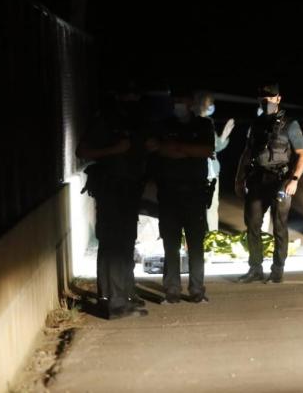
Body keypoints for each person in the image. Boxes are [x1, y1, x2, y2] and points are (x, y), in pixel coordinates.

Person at [77, 77, 152, 319]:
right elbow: (82, 151)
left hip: (130, 190)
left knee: (126, 242)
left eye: (135, 95)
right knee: (112, 244)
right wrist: (113, 150)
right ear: (118, 97)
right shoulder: (106, 120)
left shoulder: (138, 120)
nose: (131, 99)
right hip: (111, 190)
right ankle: (114, 302)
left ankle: (125, 294)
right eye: (127, 95)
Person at [235, 82, 303, 283]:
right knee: (252, 224)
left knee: (279, 225)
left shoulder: (290, 124)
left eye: (270, 98)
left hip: (280, 180)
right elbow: (247, 152)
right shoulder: (256, 124)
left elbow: (302, 154)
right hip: (258, 179)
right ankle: (255, 268)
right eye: (263, 99)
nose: (266, 102)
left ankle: (277, 269)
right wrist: (239, 179)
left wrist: (294, 179)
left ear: (278, 98)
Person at [151, 87, 215, 303]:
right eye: (175, 100)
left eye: (182, 100)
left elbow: (206, 150)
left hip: (195, 193)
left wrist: (176, 147)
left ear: (191, 102)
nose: (178, 104)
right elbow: (158, 149)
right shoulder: (164, 125)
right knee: (170, 244)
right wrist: (188, 150)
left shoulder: (203, 125)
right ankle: (172, 290)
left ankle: (197, 290)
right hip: (169, 193)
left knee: (195, 244)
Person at [193, 91, 235, 231]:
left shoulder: (209, 122)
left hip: (212, 173)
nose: (211, 106)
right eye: (209, 103)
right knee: (197, 206)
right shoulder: (193, 122)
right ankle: (196, 235)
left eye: (212, 103)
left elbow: (215, 147)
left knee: (212, 206)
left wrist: (224, 135)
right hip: (198, 172)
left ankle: (212, 234)